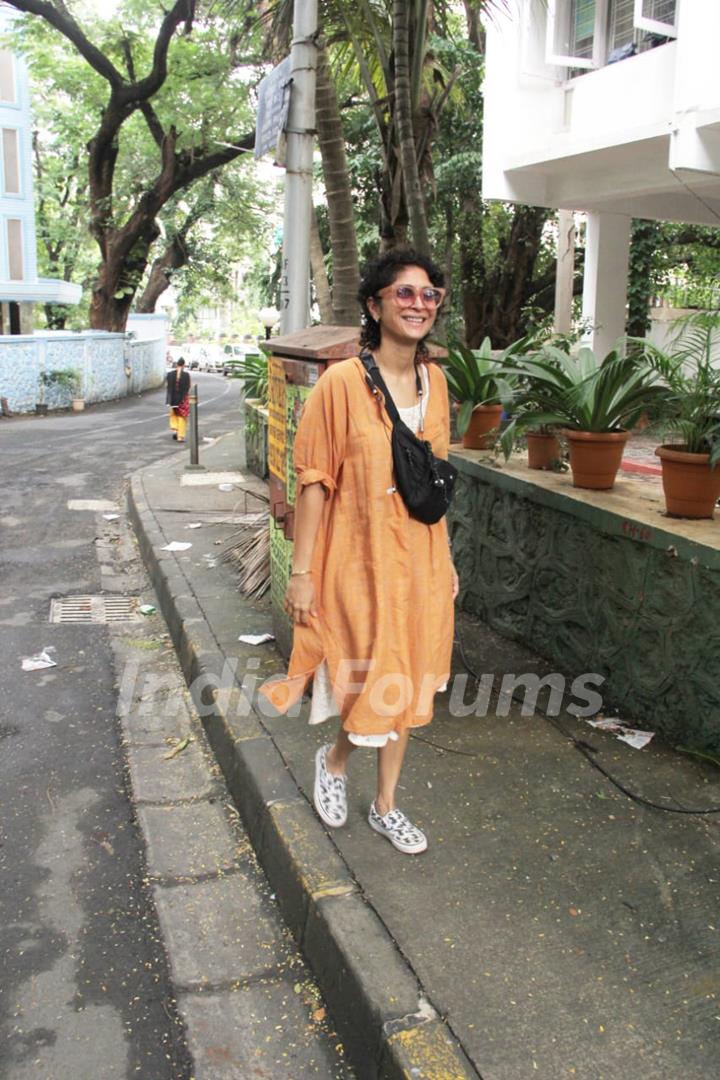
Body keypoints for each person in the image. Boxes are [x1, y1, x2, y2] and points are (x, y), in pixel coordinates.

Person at [259, 250, 459, 855]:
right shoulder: (342, 384)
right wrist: (302, 573)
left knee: (409, 682)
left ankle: (387, 805)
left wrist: (445, 560)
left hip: (420, 559)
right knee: (374, 677)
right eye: (404, 293)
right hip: (359, 559)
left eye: (429, 295)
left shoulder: (437, 382)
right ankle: (337, 760)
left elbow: (435, 482)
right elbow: (315, 482)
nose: (419, 304)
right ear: (374, 305)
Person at [166, 357, 190, 442]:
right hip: (182, 400)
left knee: (173, 415)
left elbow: (168, 387)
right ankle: (180, 437)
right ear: (183, 365)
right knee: (182, 417)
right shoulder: (186, 375)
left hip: (172, 399)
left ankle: (175, 430)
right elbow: (188, 387)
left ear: (176, 365)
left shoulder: (169, 374)